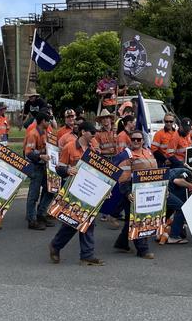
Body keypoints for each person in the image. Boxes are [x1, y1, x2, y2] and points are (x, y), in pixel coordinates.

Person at [50, 121, 105, 265]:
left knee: (88, 221)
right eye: (91, 132)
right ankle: (55, 246)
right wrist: (68, 170)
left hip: (90, 192)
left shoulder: (93, 149)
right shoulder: (69, 147)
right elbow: (58, 168)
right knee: (71, 223)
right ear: (83, 132)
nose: (94, 135)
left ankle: (87, 255)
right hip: (73, 191)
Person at [113, 130, 158, 259]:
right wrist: (127, 193)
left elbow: (156, 172)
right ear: (130, 140)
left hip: (149, 190)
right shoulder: (126, 156)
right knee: (139, 219)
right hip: (133, 192)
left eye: (139, 139)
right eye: (133, 139)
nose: (136, 141)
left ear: (143, 141)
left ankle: (121, 243)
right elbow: (123, 178)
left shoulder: (148, 152)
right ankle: (143, 250)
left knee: (129, 221)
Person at [24, 111, 55, 230]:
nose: (50, 123)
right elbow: (28, 152)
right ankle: (32, 220)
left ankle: (41, 214)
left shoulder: (45, 132)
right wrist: (41, 156)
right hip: (35, 166)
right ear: (43, 121)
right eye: (48, 121)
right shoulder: (33, 134)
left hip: (44, 166)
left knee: (50, 189)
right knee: (34, 194)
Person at [164, 165, 192, 244]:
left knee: (171, 209)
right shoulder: (188, 173)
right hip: (165, 191)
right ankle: (173, 236)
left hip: (162, 189)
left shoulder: (180, 170)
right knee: (182, 208)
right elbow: (177, 181)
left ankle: (161, 233)